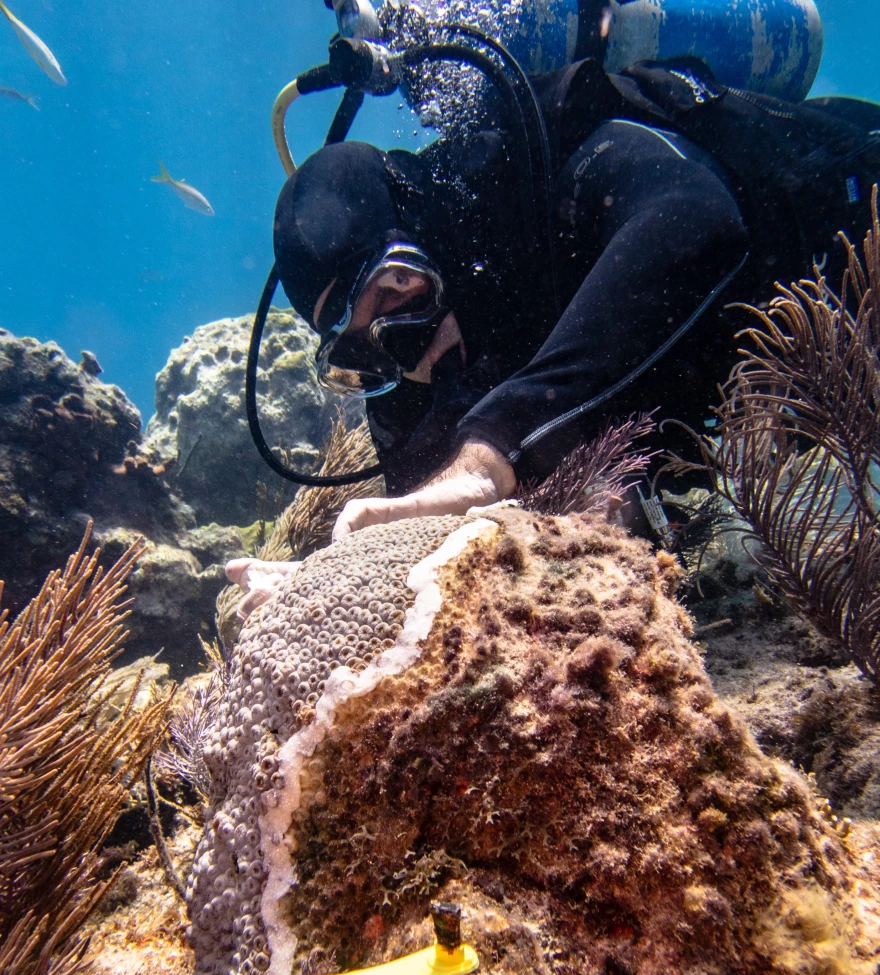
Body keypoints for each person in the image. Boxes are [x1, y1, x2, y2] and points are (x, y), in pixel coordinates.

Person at [228, 56, 880, 613]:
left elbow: (697, 221)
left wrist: (493, 449)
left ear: (430, 228)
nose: (406, 349)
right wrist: (338, 586)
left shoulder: (558, 164)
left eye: (399, 289)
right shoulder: (406, 375)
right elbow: (417, 530)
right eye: (361, 352)